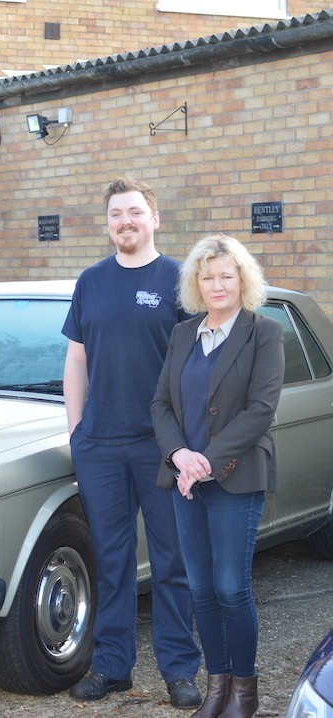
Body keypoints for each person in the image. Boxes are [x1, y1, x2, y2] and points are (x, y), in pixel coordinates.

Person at [62, 177, 202, 707]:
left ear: (155, 219)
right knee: (113, 561)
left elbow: (198, 365)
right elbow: (76, 359)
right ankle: (113, 665)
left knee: (172, 562)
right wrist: (77, 433)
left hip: (162, 447)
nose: (126, 221)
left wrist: (189, 441)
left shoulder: (178, 280)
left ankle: (179, 669)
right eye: (117, 214)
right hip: (99, 445)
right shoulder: (91, 281)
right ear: (108, 223)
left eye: (136, 213)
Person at [151, 235, 283, 718]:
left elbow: (261, 410)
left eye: (226, 275)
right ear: (195, 283)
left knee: (231, 587)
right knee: (201, 588)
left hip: (236, 477)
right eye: (207, 276)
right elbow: (161, 404)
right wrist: (180, 455)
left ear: (242, 279)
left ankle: (243, 694)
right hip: (186, 480)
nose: (216, 284)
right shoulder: (183, 333)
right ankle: (217, 687)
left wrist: (203, 461)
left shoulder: (263, 333)